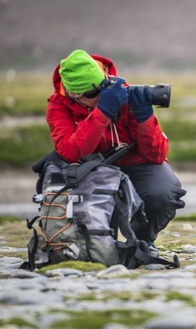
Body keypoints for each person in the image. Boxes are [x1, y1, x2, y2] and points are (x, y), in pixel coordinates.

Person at [45, 49, 186, 250]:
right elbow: (71, 152)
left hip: (134, 162)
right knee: (84, 200)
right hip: (90, 169)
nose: (102, 95)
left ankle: (143, 240)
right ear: (73, 94)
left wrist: (144, 116)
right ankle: (97, 246)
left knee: (163, 193)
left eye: (103, 86)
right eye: (94, 94)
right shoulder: (58, 106)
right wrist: (103, 112)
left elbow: (156, 155)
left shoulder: (120, 92)